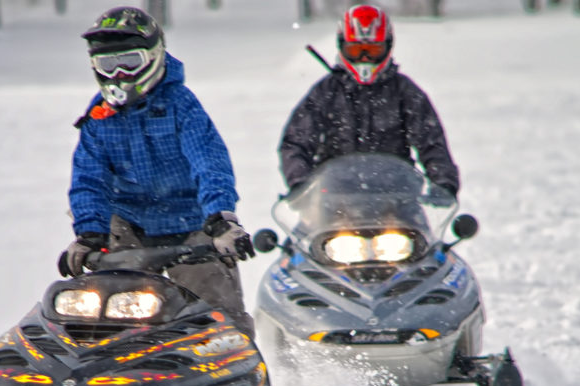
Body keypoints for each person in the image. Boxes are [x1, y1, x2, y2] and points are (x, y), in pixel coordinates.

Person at [59, 6, 257, 337]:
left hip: (194, 227)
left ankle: (238, 379)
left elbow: (209, 162)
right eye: (107, 65)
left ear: (153, 57)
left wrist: (222, 219)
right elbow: (88, 180)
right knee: (103, 313)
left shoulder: (181, 105)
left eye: (129, 62)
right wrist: (89, 234)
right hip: (129, 228)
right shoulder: (98, 116)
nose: (119, 75)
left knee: (221, 322)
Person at [279, 4, 460, 197]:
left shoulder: (404, 91)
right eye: (356, 50)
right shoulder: (326, 92)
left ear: (388, 47)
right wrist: (301, 184)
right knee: (301, 227)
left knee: (425, 228)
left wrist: (443, 183)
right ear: (342, 47)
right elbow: (296, 142)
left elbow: (431, 142)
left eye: (372, 50)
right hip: (333, 202)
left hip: (398, 200)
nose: (364, 58)